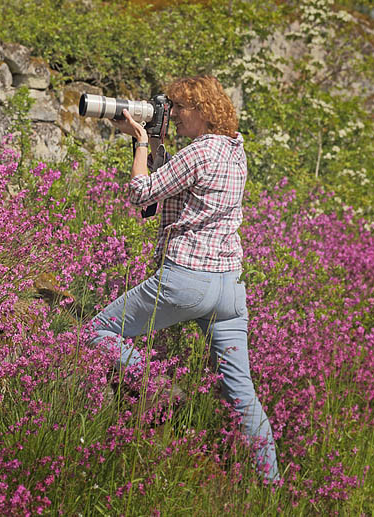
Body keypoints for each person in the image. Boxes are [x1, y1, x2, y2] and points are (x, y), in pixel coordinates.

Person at [89, 75, 279, 482]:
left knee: (99, 332)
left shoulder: (198, 152)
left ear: (203, 112)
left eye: (179, 108)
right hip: (229, 288)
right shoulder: (234, 149)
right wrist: (155, 142)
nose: (172, 114)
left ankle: (156, 387)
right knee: (242, 395)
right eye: (169, 107)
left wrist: (140, 144)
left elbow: (143, 194)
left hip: (186, 280)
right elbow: (174, 184)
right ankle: (271, 484)